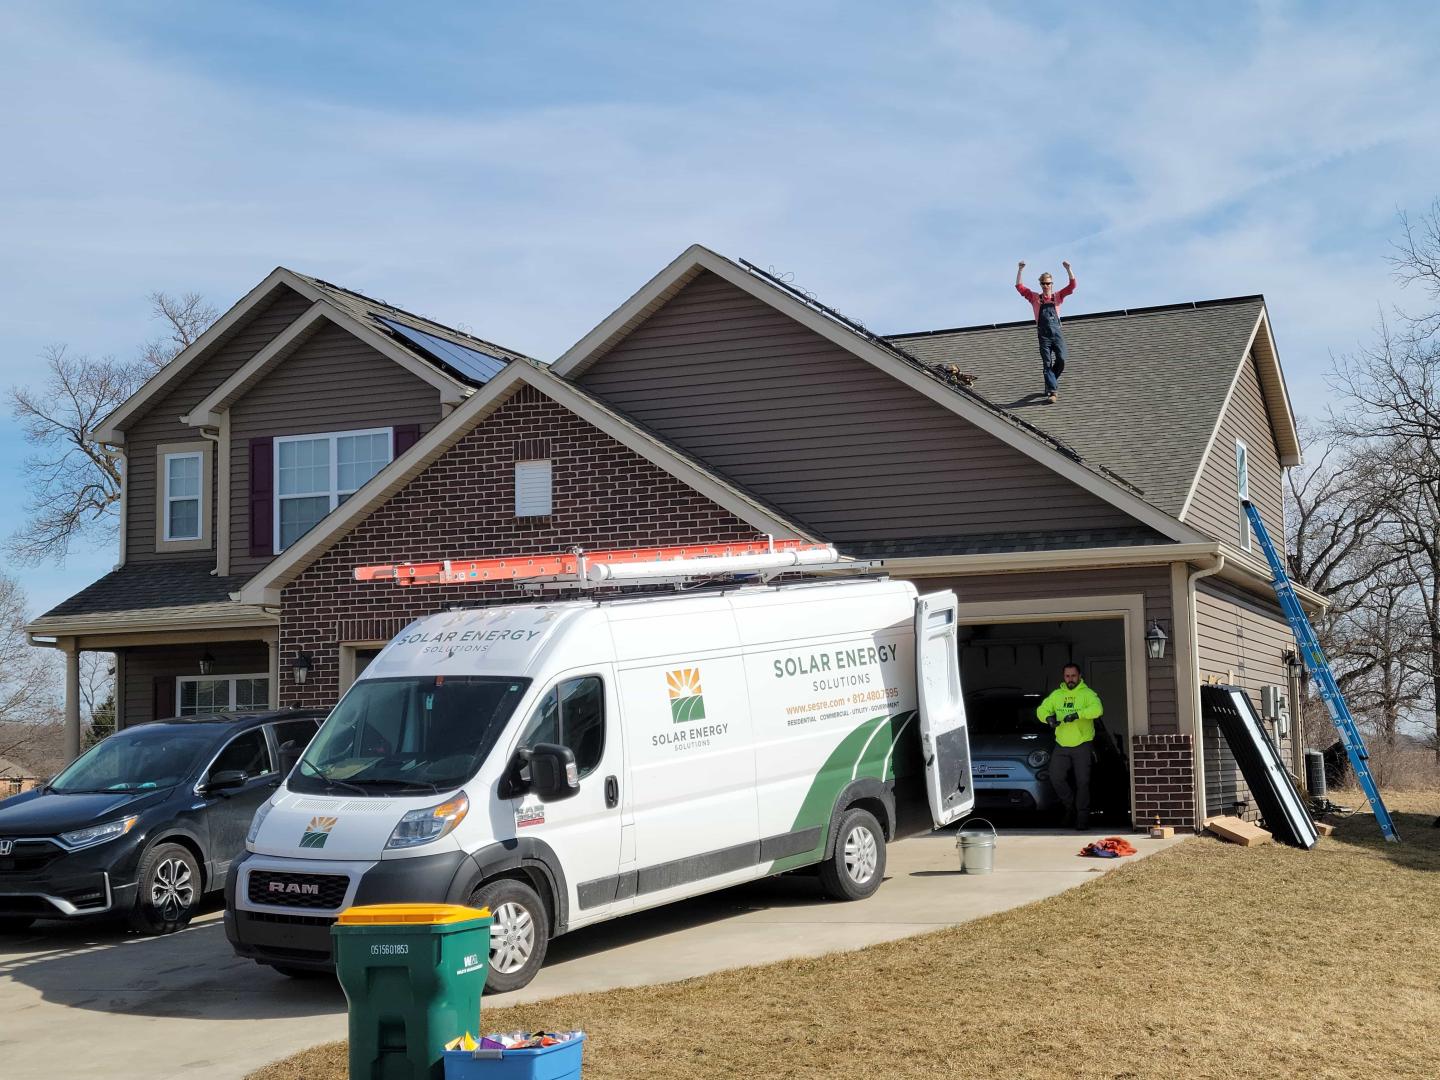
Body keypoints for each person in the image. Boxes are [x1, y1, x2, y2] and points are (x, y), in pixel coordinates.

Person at [1035, 663, 1103, 829]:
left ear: (1079, 676)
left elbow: (1098, 709)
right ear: (1063, 677)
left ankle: (1082, 818)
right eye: (1067, 676)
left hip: (1082, 744)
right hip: (1062, 745)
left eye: (1073, 676)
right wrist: (1048, 718)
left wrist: (1078, 714)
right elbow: (1041, 709)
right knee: (1055, 777)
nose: (1070, 679)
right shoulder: (1057, 695)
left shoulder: (1087, 694)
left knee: (1083, 782)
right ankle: (1070, 806)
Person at [1015, 260, 1077, 403]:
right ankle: (1052, 392)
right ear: (1040, 284)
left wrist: (1069, 269)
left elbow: (1072, 286)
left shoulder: (1058, 296)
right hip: (1043, 334)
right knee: (1047, 363)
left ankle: (1050, 381)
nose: (1045, 286)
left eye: (1048, 283)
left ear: (1052, 284)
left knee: (1061, 359)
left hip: (1057, 333)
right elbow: (1019, 287)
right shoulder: (1035, 298)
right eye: (1043, 283)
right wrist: (1020, 270)